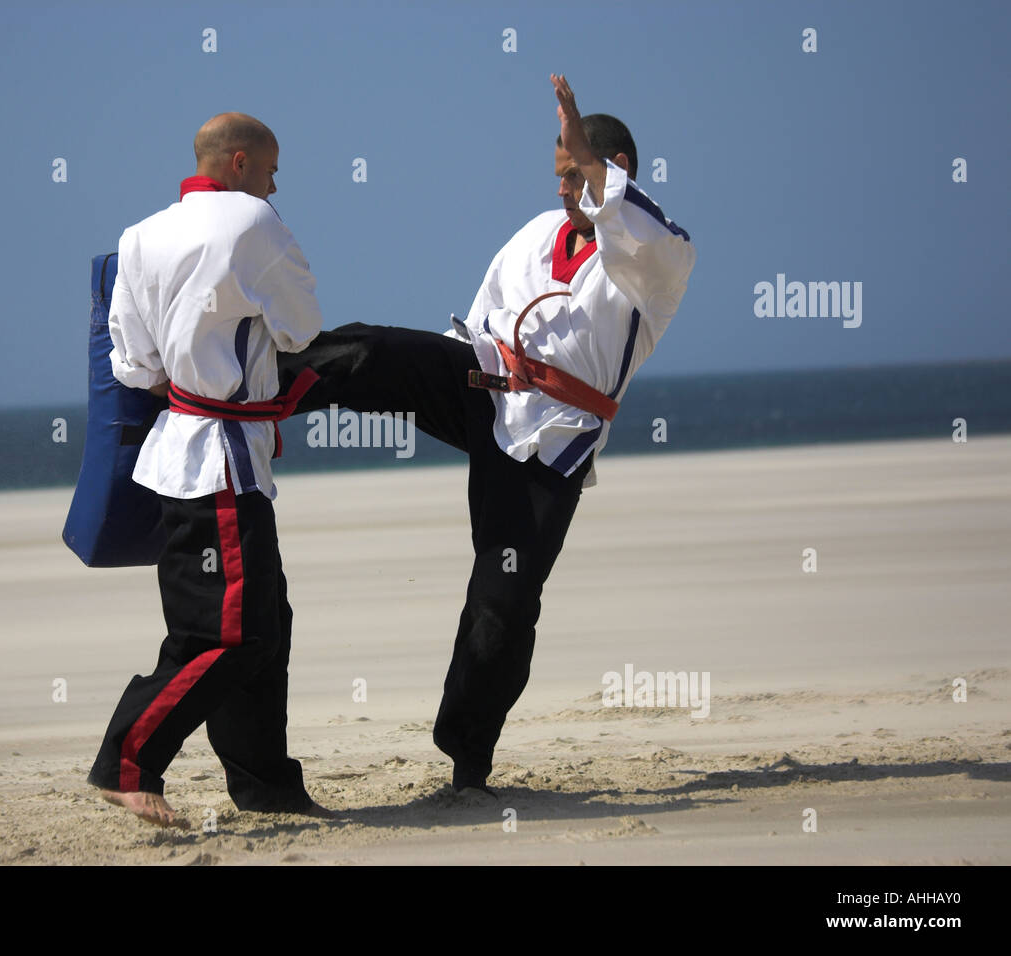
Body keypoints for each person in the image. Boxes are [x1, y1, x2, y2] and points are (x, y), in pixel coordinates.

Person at [278, 75, 696, 793]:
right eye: (559, 173)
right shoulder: (536, 232)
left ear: (615, 167)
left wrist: (597, 173)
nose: (563, 187)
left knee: (503, 602)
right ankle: (257, 390)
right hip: (481, 385)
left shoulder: (655, 261)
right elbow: (478, 320)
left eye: (576, 172)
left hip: (551, 444)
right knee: (376, 352)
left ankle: (467, 757)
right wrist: (438, 368)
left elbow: (640, 226)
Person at [87, 112, 327, 828]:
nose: (278, 183)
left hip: (190, 454)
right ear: (242, 162)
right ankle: (128, 763)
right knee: (227, 634)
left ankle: (266, 787)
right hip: (216, 467)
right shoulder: (253, 221)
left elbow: (132, 364)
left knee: (264, 624)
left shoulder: (138, 237)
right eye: (274, 168)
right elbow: (302, 327)